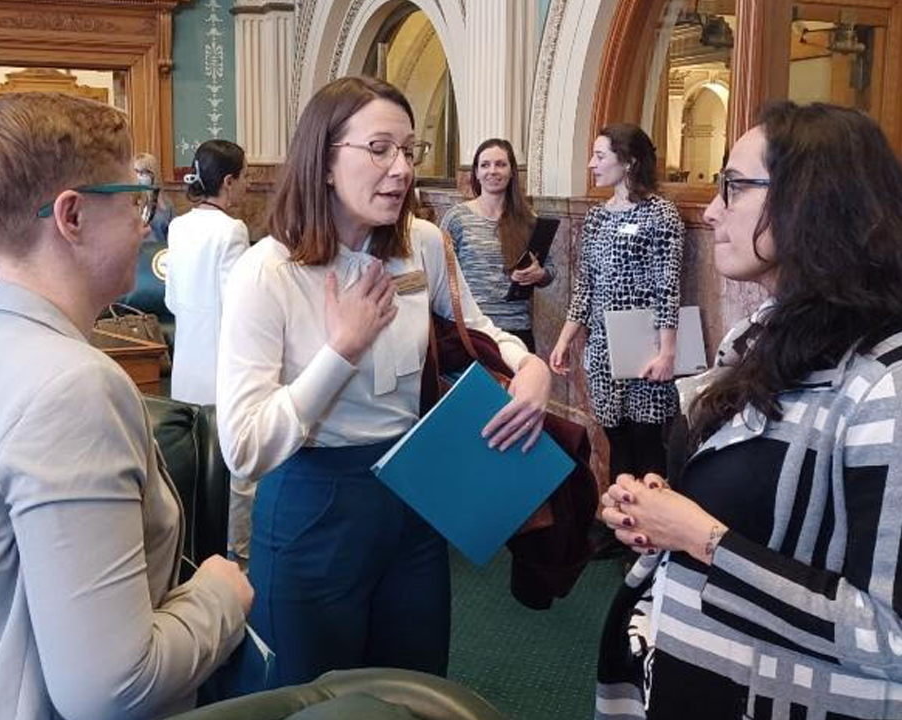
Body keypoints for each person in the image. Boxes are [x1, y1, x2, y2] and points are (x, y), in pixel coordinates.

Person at [0, 92, 252, 720]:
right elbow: (111, 688)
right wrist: (219, 596)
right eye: (134, 200)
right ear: (71, 217)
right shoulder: (76, 388)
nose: (140, 220)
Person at [216, 75, 552, 692]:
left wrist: (531, 366)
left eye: (409, 151)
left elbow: (477, 328)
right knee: (307, 697)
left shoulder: (421, 244)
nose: (401, 170)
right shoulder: (266, 272)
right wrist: (342, 348)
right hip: (313, 503)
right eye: (379, 149)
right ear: (323, 162)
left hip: (411, 500)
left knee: (411, 689)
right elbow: (243, 446)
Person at [597, 103, 902, 720]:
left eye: (734, 187)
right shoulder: (759, 336)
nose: (710, 212)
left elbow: (889, 636)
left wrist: (699, 536)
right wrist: (657, 510)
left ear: (812, 200)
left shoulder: (884, 385)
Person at [549, 124, 684, 482]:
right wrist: (564, 339)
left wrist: (667, 351)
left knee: (648, 440)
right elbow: (584, 287)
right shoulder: (595, 217)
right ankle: (618, 526)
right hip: (603, 346)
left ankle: (652, 532)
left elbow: (667, 285)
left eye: (600, 156)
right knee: (616, 439)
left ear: (628, 162)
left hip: (647, 344)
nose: (592, 164)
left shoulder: (661, 213)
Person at [164, 139, 253, 568]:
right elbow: (240, 305)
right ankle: (235, 552)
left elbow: (171, 298)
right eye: (246, 177)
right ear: (230, 181)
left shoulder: (179, 226)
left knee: (194, 459)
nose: (249, 186)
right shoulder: (231, 231)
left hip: (187, 359)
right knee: (233, 463)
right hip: (223, 360)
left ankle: (191, 545)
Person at [440, 138, 553, 352]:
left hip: (517, 329)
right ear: (476, 172)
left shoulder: (528, 219)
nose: (493, 171)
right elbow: (440, 274)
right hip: (471, 329)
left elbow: (551, 271)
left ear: (512, 172)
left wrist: (540, 274)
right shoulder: (457, 218)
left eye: (500, 164)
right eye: (485, 165)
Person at [133, 152, 177, 243]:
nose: (139, 176)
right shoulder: (129, 201)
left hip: (159, 252)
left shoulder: (166, 203)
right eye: (136, 171)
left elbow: (173, 234)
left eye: (144, 172)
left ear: (154, 174)